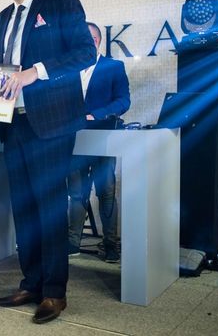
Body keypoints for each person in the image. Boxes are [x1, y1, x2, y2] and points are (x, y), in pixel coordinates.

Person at [0, 0, 96, 324]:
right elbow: (6, 73)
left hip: (51, 123)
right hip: (13, 124)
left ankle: (54, 292)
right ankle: (31, 283)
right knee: (23, 209)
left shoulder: (61, 2)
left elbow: (85, 53)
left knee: (49, 208)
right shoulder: (2, 19)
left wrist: (35, 71)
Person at [67, 22, 130, 262]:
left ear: (95, 41)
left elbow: (123, 101)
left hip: (103, 138)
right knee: (76, 192)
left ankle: (111, 245)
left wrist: (97, 115)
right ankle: (72, 243)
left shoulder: (113, 67)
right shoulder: (69, 69)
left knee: (106, 192)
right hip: (74, 139)